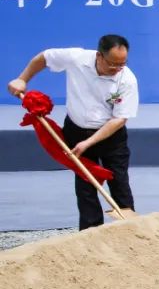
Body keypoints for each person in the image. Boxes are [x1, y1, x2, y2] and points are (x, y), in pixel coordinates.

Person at [7, 34, 139, 230]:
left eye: (122, 64)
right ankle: (90, 232)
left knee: (119, 180)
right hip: (76, 130)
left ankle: (128, 229)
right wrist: (22, 79)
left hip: (110, 135)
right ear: (99, 56)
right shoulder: (77, 58)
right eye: (112, 63)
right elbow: (44, 57)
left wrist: (89, 142)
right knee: (85, 183)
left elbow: (119, 119)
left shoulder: (127, 79)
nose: (117, 69)